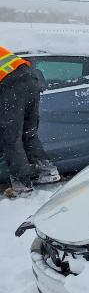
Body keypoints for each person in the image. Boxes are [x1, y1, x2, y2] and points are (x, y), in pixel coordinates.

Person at [0, 46, 59, 197]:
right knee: (28, 132)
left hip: (11, 86)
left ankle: (22, 185)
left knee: (11, 137)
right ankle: (47, 171)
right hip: (30, 80)